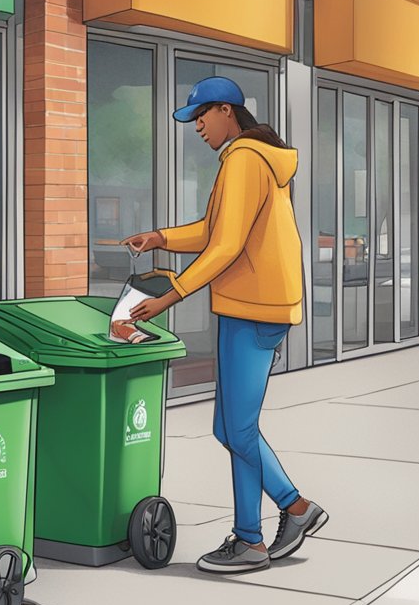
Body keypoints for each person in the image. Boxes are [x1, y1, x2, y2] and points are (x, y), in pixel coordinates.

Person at [122, 76, 326, 574]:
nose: (196, 127)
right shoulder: (252, 159)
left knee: (237, 429)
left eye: (200, 116)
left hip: (251, 307)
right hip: (258, 304)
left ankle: (250, 541)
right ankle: (296, 509)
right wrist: (160, 237)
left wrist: (170, 296)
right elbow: (215, 231)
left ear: (226, 112)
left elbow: (226, 245)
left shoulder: (243, 160)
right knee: (232, 427)